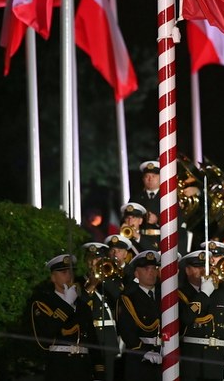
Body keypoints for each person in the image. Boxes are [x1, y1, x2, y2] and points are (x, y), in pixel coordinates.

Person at [30, 254, 104, 381]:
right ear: (53, 277)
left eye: (71, 272)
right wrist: (66, 304)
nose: (69, 276)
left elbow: (93, 341)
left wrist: (99, 372)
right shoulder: (43, 303)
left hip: (83, 368)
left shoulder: (82, 305)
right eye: (63, 272)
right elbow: (47, 333)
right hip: (60, 367)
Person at [176, 249, 224, 381]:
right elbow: (186, 318)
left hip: (216, 359)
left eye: (206, 266)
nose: (203, 271)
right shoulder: (180, 294)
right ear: (187, 270)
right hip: (192, 360)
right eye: (197, 267)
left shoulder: (220, 293)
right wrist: (203, 294)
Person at [116, 250, 162, 381]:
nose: (151, 272)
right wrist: (143, 351)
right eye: (146, 269)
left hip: (164, 355)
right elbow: (126, 330)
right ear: (136, 273)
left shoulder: (164, 295)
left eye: (154, 268)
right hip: (139, 359)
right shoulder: (129, 297)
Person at [80, 242, 121, 380]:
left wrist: (104, 280)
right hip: (91, 337)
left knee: (109, 376)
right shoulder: (79, 283)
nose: (94, 263)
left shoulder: (110, 281)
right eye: (91, 259)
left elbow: (118, 297)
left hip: (108, 338)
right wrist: (91, 285)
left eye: (98, 259)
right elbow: (80, 304)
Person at [129, 160, 161, 251]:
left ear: (160, 178)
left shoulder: (168, 198)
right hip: (140, 242)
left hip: (162, 242)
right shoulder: (136, 198)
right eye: (147, 176)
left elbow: (179, 221)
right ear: (143, 179)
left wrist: (158, 220)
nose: (150, 179)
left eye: (154, 176)